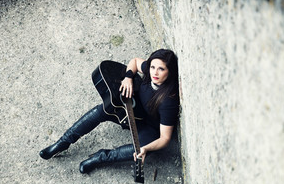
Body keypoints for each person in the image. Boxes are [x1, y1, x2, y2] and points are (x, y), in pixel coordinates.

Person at [39, 49, 179, 174]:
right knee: (105, 108)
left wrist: (147, 149)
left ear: (169, 71)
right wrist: (128, 77)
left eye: (161, 69)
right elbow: (135, 62)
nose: (154, 72)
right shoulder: (150, 72)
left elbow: (165, 138)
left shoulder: (168, 101)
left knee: (140, 150)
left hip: (149, 128)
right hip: (135, 109)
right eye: (152, 67)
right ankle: (63, 143)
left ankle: (101, 157)